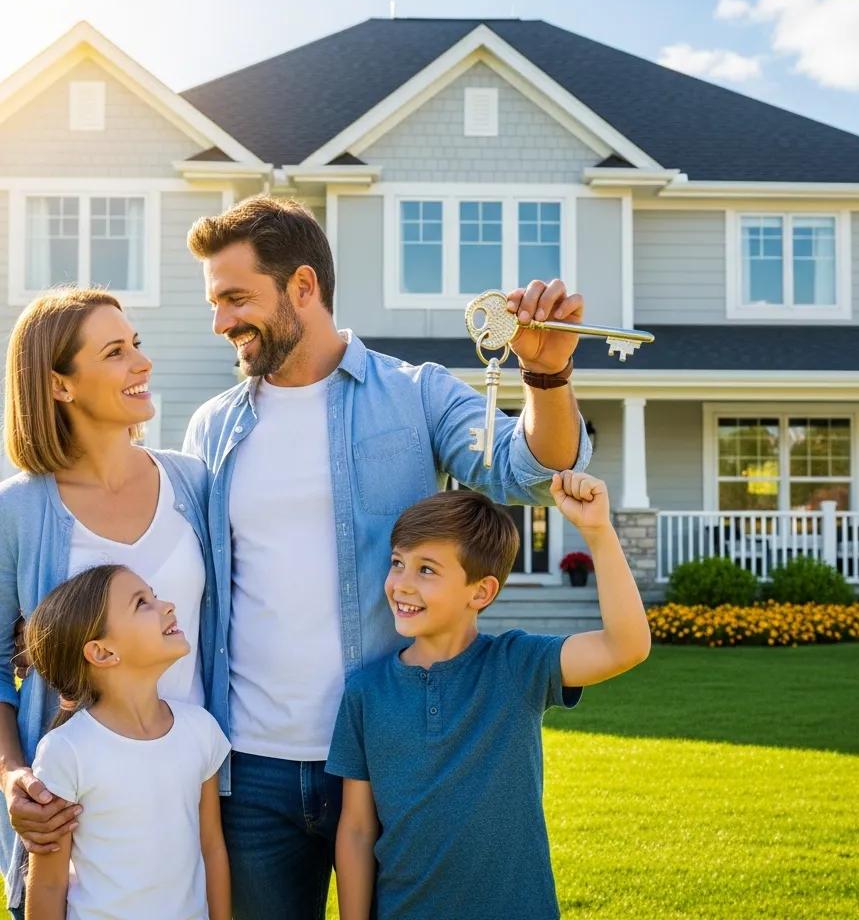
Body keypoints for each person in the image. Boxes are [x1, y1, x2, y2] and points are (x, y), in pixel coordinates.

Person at [182, 196, 592, 919]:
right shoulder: (213, 426)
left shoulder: (417, 394)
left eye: (235, 298)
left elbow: (529, 471)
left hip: (395, 759)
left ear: (303, 287)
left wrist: (547, 380)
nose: (219, 323)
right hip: (251, 768)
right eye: (215, 303)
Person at [328, 470, 651, 919]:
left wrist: (598, 532)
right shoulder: (365, 691)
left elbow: (626, 646)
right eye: (397, 562)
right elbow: (358, 829)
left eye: (427, 570)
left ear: (480, 592)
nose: (401, 583)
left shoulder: (518, 665)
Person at [0, 289, 217, 919]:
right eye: (115, 352)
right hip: (81, 819)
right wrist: (15, 776)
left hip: (192, 794)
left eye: (138, 345)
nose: (141, 364)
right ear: (61, 385)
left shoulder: (193, 484)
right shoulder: (17, 511)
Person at [23, 564, 230, 919]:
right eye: (142, 603)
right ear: (102, 653)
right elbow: (48, 884)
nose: (167, 605)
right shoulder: (66, 751)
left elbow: (211, 847)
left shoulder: (201, 731)